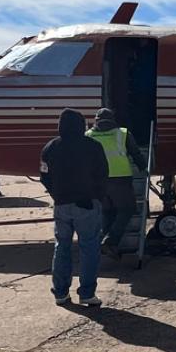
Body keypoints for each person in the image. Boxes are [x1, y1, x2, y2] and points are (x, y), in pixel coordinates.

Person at [39, 108, 108, 307]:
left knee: (62, 248)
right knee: (89, 248)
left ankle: (60, 293)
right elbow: (103, 174)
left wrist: (56, 194)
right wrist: (97, 197)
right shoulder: (93, 146)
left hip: (62, 205)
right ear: (82, 125)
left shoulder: (50, 147)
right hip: (87, 204)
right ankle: (87, 293)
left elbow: (44, 175)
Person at [88, 108, 148, 259]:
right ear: (113, 119)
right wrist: (144, 168)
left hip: (98, 182)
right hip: (120, 179)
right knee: (128, 209)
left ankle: (108, 245)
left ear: (96, 120)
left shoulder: (88, 135)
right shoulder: (122, 133)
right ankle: (110, 241)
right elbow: (135, 153)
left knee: (107, 212)